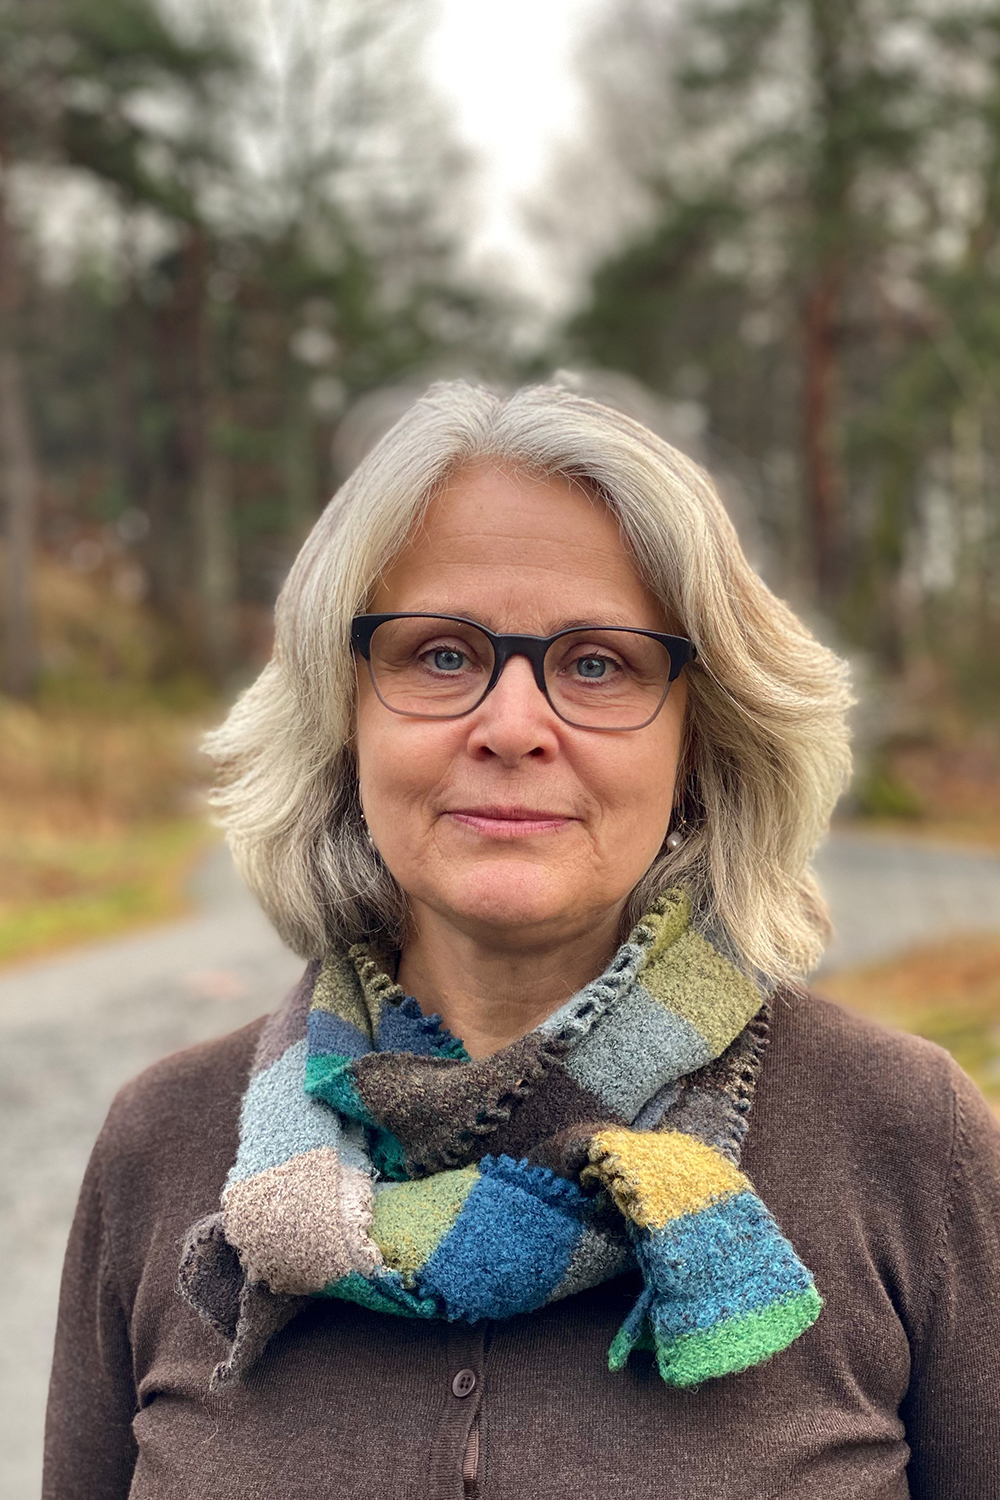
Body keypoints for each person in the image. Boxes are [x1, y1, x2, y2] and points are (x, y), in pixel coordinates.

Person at [44, 382, 1000, 1500]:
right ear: (341, 710)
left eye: (597, 664)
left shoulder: (901, 1138)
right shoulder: (161, 1145)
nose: (509, 727)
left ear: (702, 738)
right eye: (440, 655)